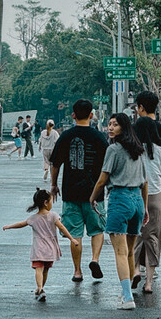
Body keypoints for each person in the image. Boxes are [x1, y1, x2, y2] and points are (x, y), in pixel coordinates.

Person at [89, 113, 148, 310]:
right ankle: (127, 293)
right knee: (130, 251)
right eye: (109, 124)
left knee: (120, 252)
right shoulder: (139, 150)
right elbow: (144, 182)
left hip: (120, 199)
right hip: (137, 200)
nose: (110, 128)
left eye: (115, 124)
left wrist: (93, 197)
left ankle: (128, 297)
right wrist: (145, 207)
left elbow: (102, 178)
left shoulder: (113, 150)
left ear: (124, 127)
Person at [49, 99, 109, 283]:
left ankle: (77, 271)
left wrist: (54, 185)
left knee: (75, 233)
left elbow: (55, 164)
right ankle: (95, 259)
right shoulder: (100, 137)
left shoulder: (65, 136)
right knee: (97, 229)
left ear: (73, 115)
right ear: (91, 115)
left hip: (71, 191)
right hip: (95, 193)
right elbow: (108, 165)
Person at [3, 188, 80, 302]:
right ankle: (40, 289)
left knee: (38, 269)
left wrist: (9, 226)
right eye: (51, 202)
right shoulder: (53, 216)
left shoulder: (33, 218)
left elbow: (21, 224)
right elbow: (62, 228)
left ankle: (40, 288)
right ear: (45, 203)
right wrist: (72, 239)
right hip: (50, 249)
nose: (51, 204)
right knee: (45, 270)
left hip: (38, 249)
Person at [131, 116, 161, 293]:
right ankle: (149, 283)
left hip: (134, 196)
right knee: (153, 239)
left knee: (135, 237)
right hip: (155, 197)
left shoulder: (131, 151)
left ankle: (135, 270)